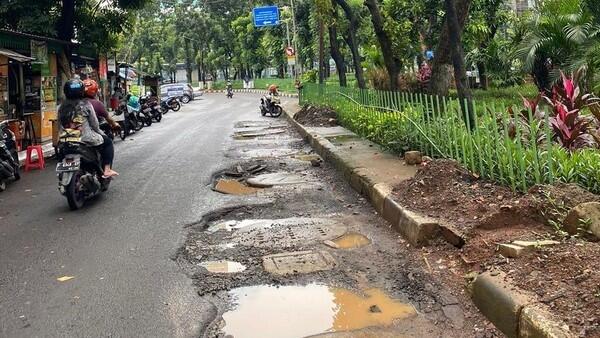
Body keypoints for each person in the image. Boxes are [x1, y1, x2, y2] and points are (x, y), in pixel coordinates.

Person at [58, 79, 119, 178]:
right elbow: (95, 125)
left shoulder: (60, 107)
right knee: (108, 142)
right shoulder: (86, 105)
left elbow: (59, 125)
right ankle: (107, 170)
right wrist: (102, 134)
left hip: (65, 139)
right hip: (86, 138)